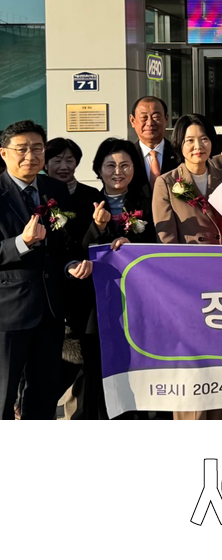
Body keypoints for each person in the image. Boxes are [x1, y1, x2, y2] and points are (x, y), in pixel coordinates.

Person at [0, 120, 93, 420]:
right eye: (22, 149)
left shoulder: (54, 189)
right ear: (4, 153)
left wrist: (71, 265)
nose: (31, 156)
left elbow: (63, 245)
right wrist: (21, 243)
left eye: (37, 148)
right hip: (8, 313)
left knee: (43, 395)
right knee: (3, 395)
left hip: (51, 312)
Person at [152, 114, 222, 421]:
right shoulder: (167, 182)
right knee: (190, 360)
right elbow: (166, 239)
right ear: (179, 145)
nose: (197, 146)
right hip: (188, 282)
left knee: (219, 359)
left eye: (203, 139)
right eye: (189, 140)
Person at [80, 138, 156, 419]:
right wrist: (97, 228)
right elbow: (76, 249)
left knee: (135, 372)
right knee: (98, 371)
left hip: (136, 302)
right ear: (98, 169)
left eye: (125, 165)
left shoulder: (148, 203)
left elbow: (159, 246)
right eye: (110, 165)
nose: (118, 172)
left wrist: (132, 245)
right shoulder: (84, 201)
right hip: (95, 304)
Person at [43, 137, 105, 418]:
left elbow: (93, 243)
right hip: (50, 289)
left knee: (84, 363)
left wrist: (97, 227)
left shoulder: (91, 196)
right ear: (46, 163)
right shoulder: (40, 195)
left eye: (70, 160)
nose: (64, 165)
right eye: (57, 159)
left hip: (84, 288)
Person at [129, 96, 180, 197]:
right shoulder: (128, 156)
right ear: (133, 121)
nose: (150, 123)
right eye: (144, 117)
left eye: (156, 117)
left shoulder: (180, 153)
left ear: (166, 119)